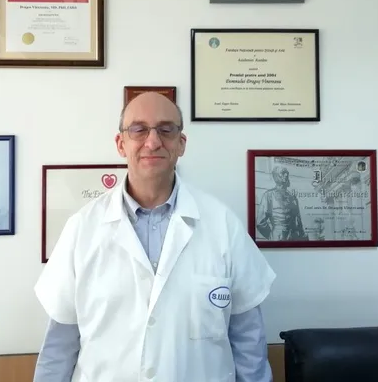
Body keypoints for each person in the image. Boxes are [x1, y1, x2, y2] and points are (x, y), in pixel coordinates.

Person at [33, 91, 276, 382]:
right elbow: (59, 348)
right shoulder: (81, 229)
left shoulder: (224, 225)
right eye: (139, 129)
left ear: (181, 143)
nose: (153, 141)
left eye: (166, 129)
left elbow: (248, 341)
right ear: (121, 144)